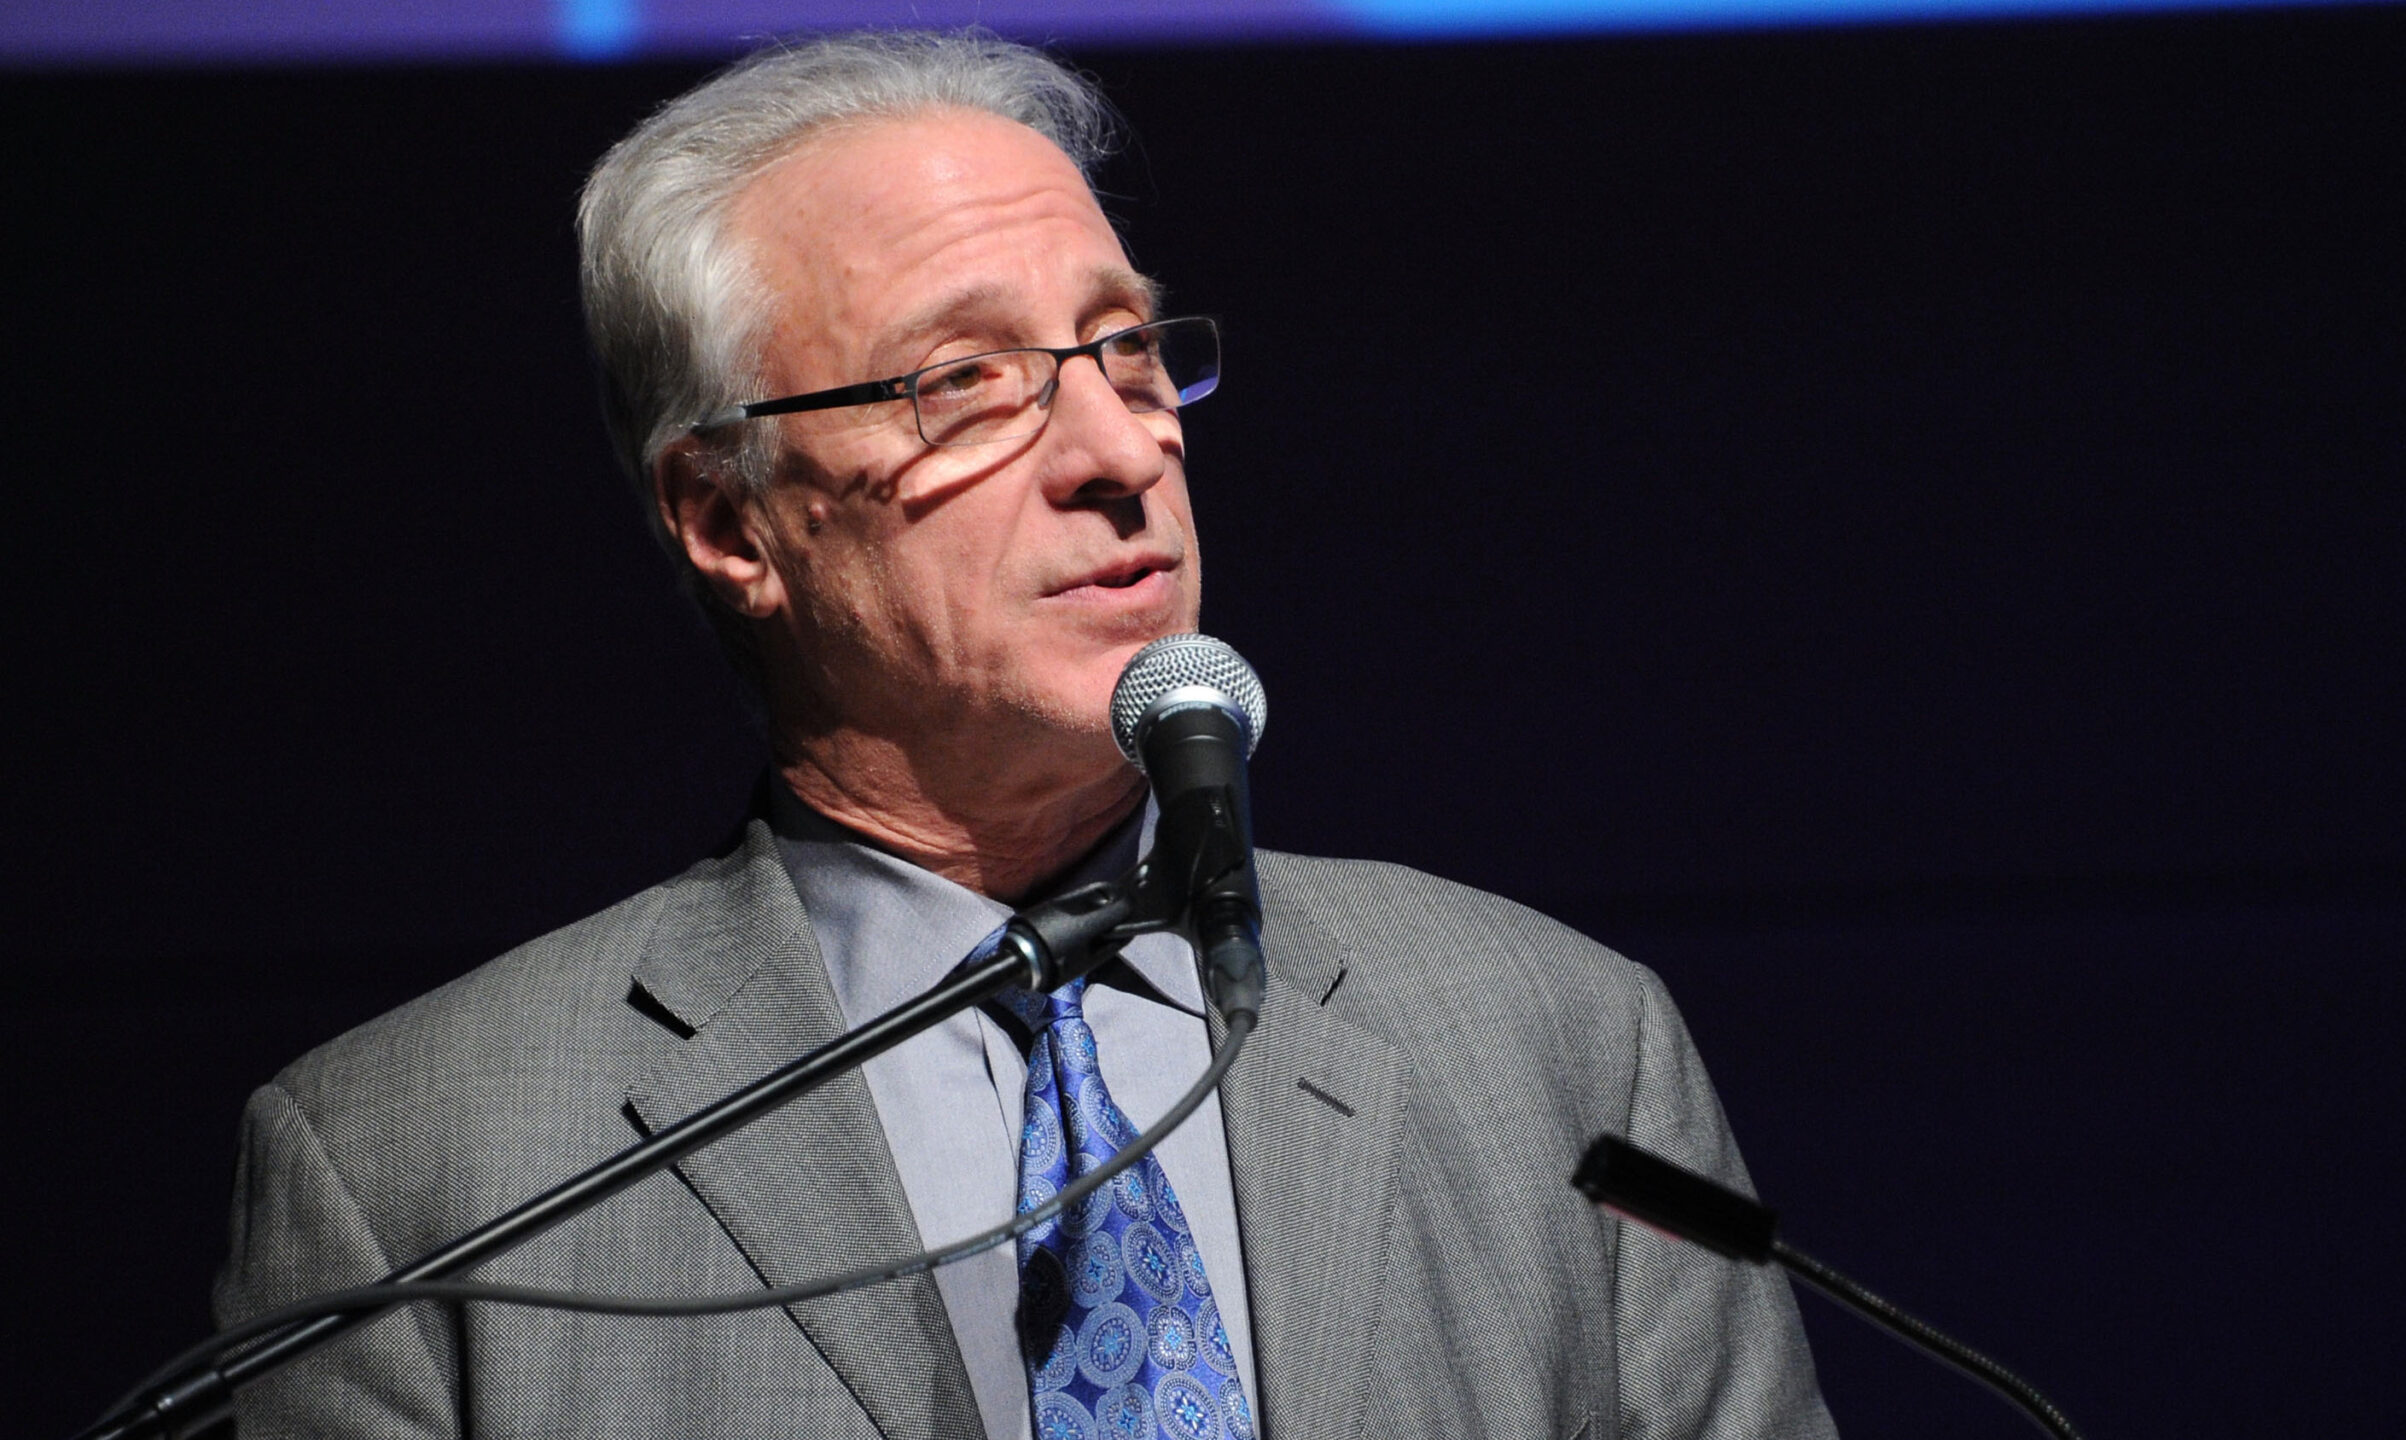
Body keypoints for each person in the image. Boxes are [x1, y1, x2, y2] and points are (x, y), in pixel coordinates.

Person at [215, 31, 1836, 1440]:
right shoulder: (417, 1171)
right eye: (967, 382)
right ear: (729, 521)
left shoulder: (1555, 1047)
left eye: (1127, 349)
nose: (1115, 451)